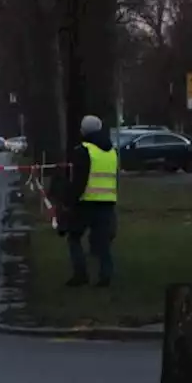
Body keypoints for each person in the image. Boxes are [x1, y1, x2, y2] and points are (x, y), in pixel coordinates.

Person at [64, 114, 117, 287]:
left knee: (74, 237)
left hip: (86, 201)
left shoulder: (83, 150)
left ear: (84, 131)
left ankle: (80, 275)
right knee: (102, 243)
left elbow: (80, 179)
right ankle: (106, 276)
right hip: (107, 201)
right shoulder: (111, 150)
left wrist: (71, 200)